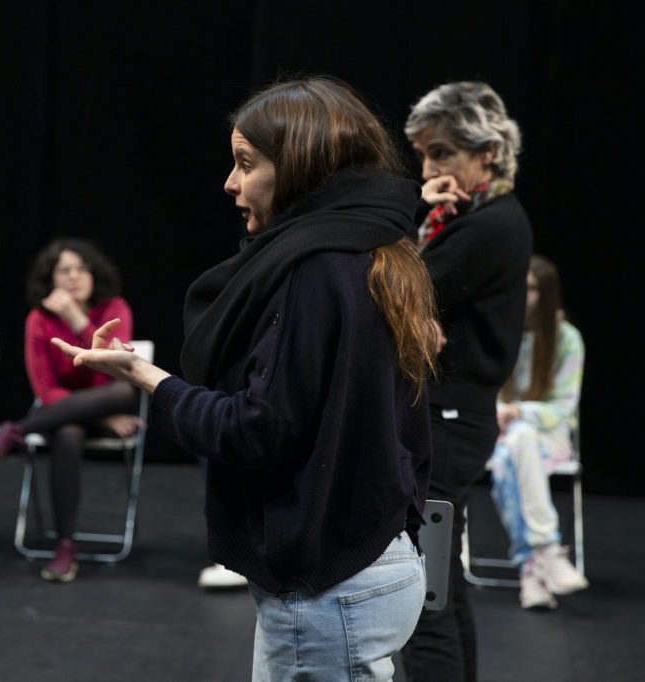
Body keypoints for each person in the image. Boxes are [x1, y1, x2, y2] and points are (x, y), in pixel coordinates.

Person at [52, 77, 438, 680]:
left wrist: (148, 378)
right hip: (373, 564)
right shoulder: (376, 253)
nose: (230, 183)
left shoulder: (317, 271)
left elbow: (262, 429)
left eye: (245, 164)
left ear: (302, 168)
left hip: (330, 587)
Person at [400, 82, 533, 682]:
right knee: (440, 588)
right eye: (424, 155)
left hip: (447, 425)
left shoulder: (492, 225)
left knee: (421, 600)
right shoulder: (469, 217)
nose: (430, 169)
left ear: (487, 152)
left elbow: (391, 288)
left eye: (443, 153)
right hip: (449, 419)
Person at [0, 238, 141, 582]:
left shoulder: (115, 308)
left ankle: (16, 430)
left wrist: (75, 318)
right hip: (65, 416)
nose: (74, 276)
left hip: (108, 402)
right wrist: (96, 415)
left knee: (123, 388)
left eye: (82, 268)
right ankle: (65, 545)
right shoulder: (39, 319)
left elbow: (113, 372)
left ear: (95, 274)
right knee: (68, 433)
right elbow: (45, 389)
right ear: (49, 280)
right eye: (64, 270)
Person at [490, 254, 587, 609]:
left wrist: (519, 412)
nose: (523, 296)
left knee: (513, 450)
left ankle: (529, 568)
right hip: (505, 437)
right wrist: (504, 413)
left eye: (530, 289)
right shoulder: (502, 330)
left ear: (545, 294)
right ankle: (545, 552)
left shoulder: (567, 339)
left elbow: (562, 409)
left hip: (550, 437)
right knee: (513, 448)